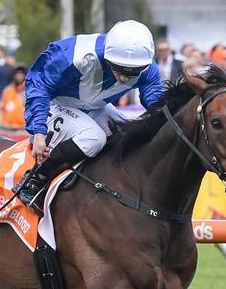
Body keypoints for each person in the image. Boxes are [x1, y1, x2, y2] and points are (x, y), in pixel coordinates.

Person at [14, 20, 163, 206]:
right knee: (94, 138)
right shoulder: (73, 54)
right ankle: (35, 179)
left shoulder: (147, 66)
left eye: (132, 73)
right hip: (54, 103)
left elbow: (156, 102)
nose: (124, 78)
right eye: (119, 69)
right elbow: (38, 84)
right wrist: (38, 133)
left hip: (93, 106)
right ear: (108, 56)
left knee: (128, 134)